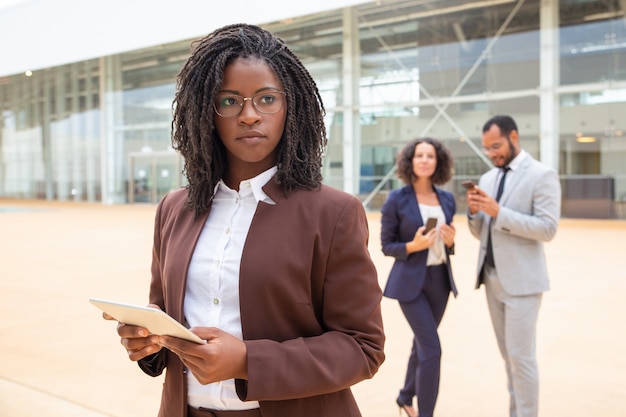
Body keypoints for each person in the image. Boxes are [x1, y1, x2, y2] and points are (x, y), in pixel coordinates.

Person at [105, 23, 385, 417]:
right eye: (230, 101)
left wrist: (248, 361)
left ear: (291, 107)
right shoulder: (174, 209)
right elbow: (164, 314)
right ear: (207, 112)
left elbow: (362, 347)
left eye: (267, 99)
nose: (249, 115)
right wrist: (148, 343)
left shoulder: (333, 213)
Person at [465, 115, 561, 417]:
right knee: (509, 358)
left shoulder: (542, 175)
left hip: (522, 283)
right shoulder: (488, 178)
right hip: (492, 279)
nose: (492, 154)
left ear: (514, 137)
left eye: (496, 146)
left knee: (522, 359)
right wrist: (473, 213)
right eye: (487, 149)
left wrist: (498, 212)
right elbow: (481, 232)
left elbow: (548, 229)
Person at [380, 138, 458, 417]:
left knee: (422, 343)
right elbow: (387, 245)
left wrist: (450, 242)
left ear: (439, 162)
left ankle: (404, 397)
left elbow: (446, 244)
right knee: (432, 350)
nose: (425, 160)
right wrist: (413, 246)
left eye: (431, 156)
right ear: (410, 161)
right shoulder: (396, 199)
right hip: (409, 284)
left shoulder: (447, 199)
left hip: (440, 282)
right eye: (419, 155)